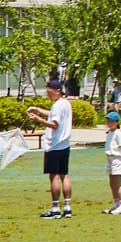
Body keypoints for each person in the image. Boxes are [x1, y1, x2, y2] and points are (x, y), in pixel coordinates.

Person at [25, 78, 74, 219]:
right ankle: (67, 207)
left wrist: (38, 120)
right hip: (65, 144)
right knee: (64, 174)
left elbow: (54, 124)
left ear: (58, 91)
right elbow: (53, 114)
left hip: (55, 145)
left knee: (54, 176)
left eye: (49, 92)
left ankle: (55, 208)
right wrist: (38, 110)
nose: (48, 95)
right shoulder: (65, 104)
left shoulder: (58, 105)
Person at [102, 111, 121, 214]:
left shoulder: (118, 133)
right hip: (110, 158)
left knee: (117, 184)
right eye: (108, 121)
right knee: (112, 183)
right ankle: (116, 204)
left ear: (117, 122)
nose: (109, 123)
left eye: (111, 121)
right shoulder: (110, 133)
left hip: (117, 158)